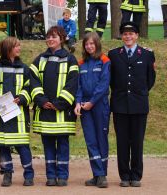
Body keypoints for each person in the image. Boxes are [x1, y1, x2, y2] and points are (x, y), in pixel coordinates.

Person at [108, 22, 156, 187]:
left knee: (137, 141)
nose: (128, 36)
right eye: (125, 34)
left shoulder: (147, 55)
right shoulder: (113, 54)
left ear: (137, 35)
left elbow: (150, 79)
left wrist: (139, 93)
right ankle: (124, 175)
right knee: (122, 142)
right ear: (121, 36)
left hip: (139, 105)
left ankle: (136, 175)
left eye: (131, 33)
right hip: (120, 104)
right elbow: (112, 80)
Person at [30, 26, 79, 186]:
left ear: (62, 39)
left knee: (63, 145)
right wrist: (42, 101)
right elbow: (33, 81)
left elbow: (73, 83)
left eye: (54, 37)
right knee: (48, 145)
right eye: (48, 36)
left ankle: (63, 176)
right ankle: (51, 176)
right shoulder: (39, 59)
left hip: (63, 112)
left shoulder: (70, 59)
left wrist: (59, 103)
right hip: (45, 110)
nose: (50, 39)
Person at [0, 37, 34, 187]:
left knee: (23, 146)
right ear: (8, 49)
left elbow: (30, 89)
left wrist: (21, 98)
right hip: (1, 114)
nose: (19, 48)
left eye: (19, 45)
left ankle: (29, 175)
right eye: (16, 46)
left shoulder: (25, 68)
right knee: (3, 146)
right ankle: (7, 174)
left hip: (19, 115)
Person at [74, 32, 110, 188]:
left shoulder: (104, 60)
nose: (89, 46)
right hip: (85, 107)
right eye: (86, 44)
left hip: (99, 105)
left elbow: (104, 84)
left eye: (91, 44)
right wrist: (78, 103)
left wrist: (92, 102)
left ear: (97, 44)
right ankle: (97, 174)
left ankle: (102, 175)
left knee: (101, 139)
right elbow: (79, 86)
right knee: (90, 140)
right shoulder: (81, 63)